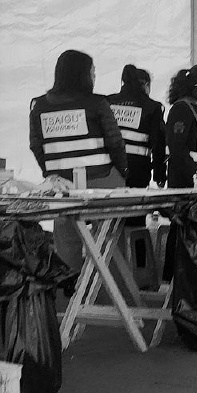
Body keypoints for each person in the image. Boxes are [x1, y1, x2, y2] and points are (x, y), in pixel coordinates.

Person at [29, 49, 129, 271]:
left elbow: (36, 145)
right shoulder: (97, 103)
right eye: (92, 72)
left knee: (66, 241)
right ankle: (109, 285)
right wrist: (123, 172)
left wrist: (52, 174)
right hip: (102, 181)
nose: (94, 77)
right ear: (82, 75)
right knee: (109, 238)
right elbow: (115, 143)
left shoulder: (39, 106)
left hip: (63, 187)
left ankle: (69, 284)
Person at [106, 64, 166, 188]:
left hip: (111, 168)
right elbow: (158, 144)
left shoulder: (108, 102)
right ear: (146, 85)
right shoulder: (152, 107)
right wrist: (159, 175)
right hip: (138, 169)